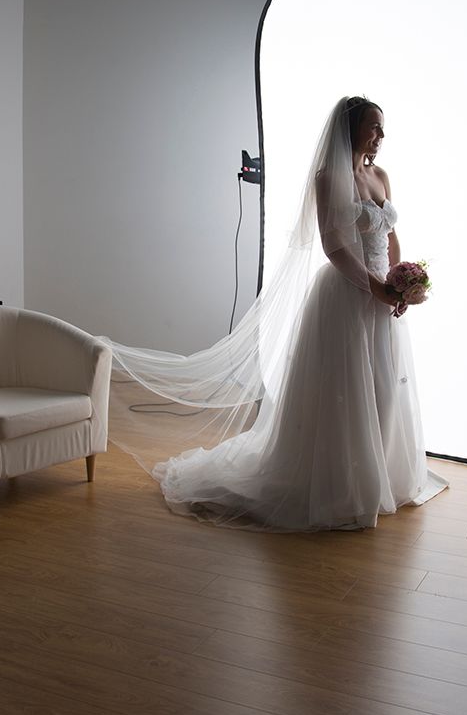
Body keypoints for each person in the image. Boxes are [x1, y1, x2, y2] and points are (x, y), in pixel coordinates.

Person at [110, 96, 447, 530]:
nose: (381, 135)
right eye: (373, 126)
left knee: (382, 385)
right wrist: (376, 287)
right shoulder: (328, 179)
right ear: (351, 129)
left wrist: (399, 281)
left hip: (384, 300)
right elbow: (334, 246)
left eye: (382, 128)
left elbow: (391, 235)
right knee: (347, 391)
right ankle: (340, 484)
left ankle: (379, 474)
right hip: (348, 295)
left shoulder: (381, 176)